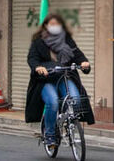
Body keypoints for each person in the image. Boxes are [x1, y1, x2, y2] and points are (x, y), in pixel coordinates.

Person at [23, 15, 94, 148]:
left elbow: (78, 55)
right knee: (53, 102)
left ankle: (65, 121)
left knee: (76, 100)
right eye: (52, 24)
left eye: (57, 24)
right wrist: (38, 67)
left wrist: (84, 63)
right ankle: (50, 135)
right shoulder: (38, 41)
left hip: (64, 76)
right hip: (46, 79)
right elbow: (32, 58)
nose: (55, 27)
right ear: (45, 26)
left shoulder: (67, 40)